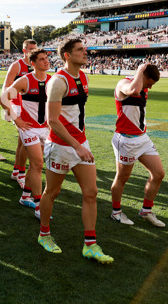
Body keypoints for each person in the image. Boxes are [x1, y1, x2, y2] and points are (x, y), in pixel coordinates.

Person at [37, 38, 113, 264]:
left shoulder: (83, 77)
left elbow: (76, 114)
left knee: (91, 193)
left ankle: (90, 244)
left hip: (80, 144)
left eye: (85, 49)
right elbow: (53, 121)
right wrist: (76, 146)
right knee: (52, 191)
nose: (85, 52)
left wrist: (81, 143)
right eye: (80, 50)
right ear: (67, 55)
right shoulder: (58, 82)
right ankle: (44, 235)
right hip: (61, 146)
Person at [110, 64, 166, 228]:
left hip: (142, 138)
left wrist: (143, 78)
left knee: (158, 173)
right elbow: (133, 91)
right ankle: (116, 212)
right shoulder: (124, 84)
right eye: (150, 82)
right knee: (122, 177)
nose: (150, 87)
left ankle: (146, 211)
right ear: (142, 75)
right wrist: (141, 70)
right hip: (126, 140)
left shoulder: (143, 86)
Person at [0, 49, 50, 219]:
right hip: (28, 128)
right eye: (42, 59)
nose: (46, 61)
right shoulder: (25, 81)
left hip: (45, 128)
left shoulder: (52, 80)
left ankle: (25, 196)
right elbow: (3, 98)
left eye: (47, 58)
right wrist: (16, 120)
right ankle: (38, 206)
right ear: (33, 64)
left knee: (34, 166)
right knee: (37, 164)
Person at [2, 39, 37, 187]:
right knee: (26, 138)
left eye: (35, 49)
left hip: (32, 107)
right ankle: (21, 174)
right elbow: (5, 87)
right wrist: (7, 109)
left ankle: (16, 171)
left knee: (22, 141)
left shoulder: (37, 65)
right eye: (30, 49)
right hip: (17, 106)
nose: (33, 51)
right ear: (24, 50)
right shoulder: (17, 65)